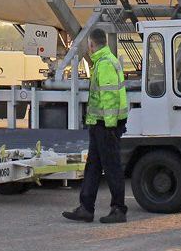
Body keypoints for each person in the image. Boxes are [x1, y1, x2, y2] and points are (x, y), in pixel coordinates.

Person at [63, 29, 130, 224]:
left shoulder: (105, 64)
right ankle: (86, 208)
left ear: (92, 45)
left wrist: (109, 127)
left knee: (112, 168)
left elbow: (109, 97)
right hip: (100, 125)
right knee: (93, 166)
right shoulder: (104, 62)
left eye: (88, 46)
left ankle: (118, 209)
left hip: (106, 126)